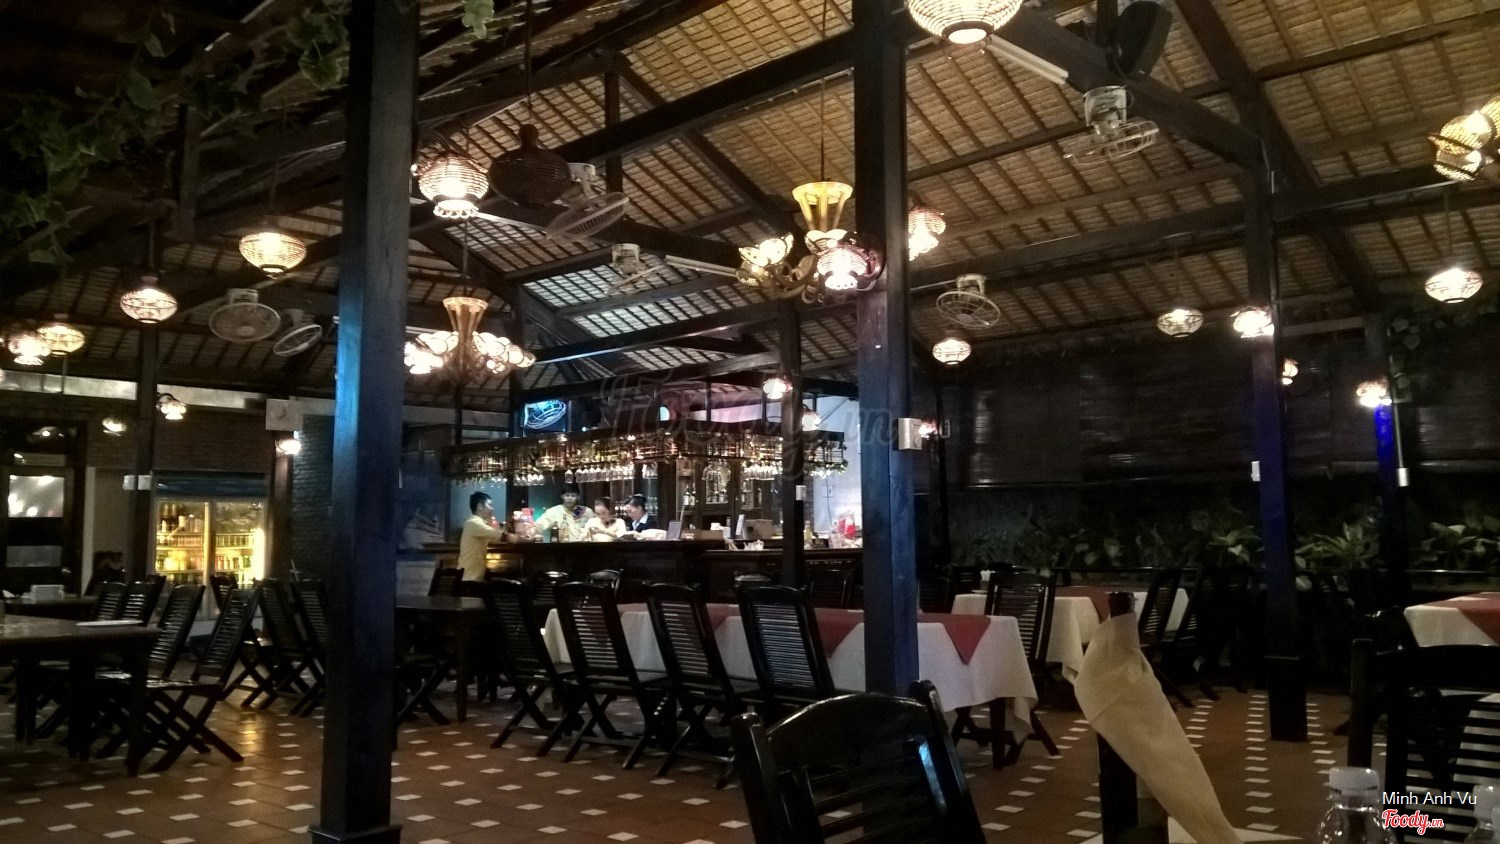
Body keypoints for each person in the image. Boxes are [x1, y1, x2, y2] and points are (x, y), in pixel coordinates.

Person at [458, 491, 504, 580]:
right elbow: (500, 535)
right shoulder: (474, 523)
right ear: (480, 506)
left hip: (472, 578)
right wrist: (525, 539)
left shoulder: (474, 523)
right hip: (469, 580)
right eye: (489, 505)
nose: (492, 509)